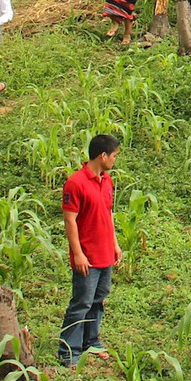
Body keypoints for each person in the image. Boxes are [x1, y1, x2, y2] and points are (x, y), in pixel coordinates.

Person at [59, 133, 121, 366]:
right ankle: (69, 351)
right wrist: (78, 253)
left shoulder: (106, 180)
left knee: (98, 299)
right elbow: (70, 220)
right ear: (102, 156)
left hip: (105, 252)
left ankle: (90, 341)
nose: (115, 160)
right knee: (81, 302)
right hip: (87, 255)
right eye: (114, 155)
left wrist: (114, 244)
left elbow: (108, 213)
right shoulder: (76, 183)